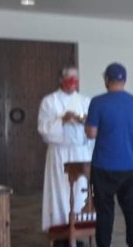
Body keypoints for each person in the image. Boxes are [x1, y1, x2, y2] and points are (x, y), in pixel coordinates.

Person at [85, 62, 133, 247]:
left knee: (104, 211)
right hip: (129, 165)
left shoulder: (97, 102)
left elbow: (92, 133)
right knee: (132, 211)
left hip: (104, 166)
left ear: (106, 80)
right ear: (124, 80)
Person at [37, 66, 94, 237]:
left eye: (75, 80)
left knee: (80, 191)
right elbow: (43, 129)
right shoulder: (50, 101)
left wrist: (83, 121)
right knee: (60, 191)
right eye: (69, 80)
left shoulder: (85, 101)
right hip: (60, 152)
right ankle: (60, 228)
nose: (73, 84)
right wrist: (62, 119)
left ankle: (82, 226)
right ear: (61, 80)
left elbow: (93, 127)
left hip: (80, 151)